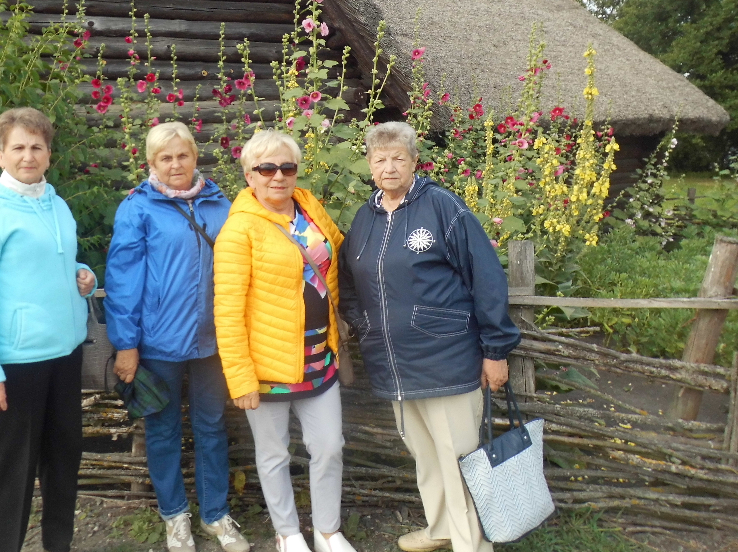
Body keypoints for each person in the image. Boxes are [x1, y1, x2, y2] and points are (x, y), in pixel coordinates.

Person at [338, 122, 521, 552]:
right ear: (369, 165)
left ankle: (472, 545)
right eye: (380, 159)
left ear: (414, 161)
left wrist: (495, 349)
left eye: (398, 158)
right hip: (394, 365)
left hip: (446, 359)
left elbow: (486, 277)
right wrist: (365, 324)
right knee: (425, 455)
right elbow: (347, 282)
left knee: (458, 459)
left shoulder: (442, 207)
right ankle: (441, 529)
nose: (389, 167)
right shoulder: (364, 219)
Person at [0, 107, 97, 552]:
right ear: (0, 155)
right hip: (15, 364)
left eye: (37, 146)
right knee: (13, 473)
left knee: (63, 462)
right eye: (18, 147)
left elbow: (51, 263)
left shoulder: (57, 205)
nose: (28, 156)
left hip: (64, 355)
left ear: (49, 154)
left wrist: (84, 276)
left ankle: (58, 545)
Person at [105, 122, 250, 552]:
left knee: (212, 427)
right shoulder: (138, 208)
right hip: (158, 343)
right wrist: (126, 343)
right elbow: (122, 280)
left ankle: (215, 515)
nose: (175, 164)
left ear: (195, 156)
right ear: (151, 163)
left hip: (212, 341)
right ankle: (174, 516)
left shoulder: (220, 204)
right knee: (163, 429)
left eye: (182, 155)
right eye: (165, 158)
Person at [214, 129, 358, 552]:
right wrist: (240, 378)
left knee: (329, 446)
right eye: (266, 168)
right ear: (249, 176)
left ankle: (328, 531)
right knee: (274, 454)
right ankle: (288, 533)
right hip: (267, 366)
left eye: (287, 167)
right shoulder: (239, 230)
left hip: (319, 357)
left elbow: (340, 253)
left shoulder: (309, 207)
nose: (278, 176)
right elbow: (228, 310)